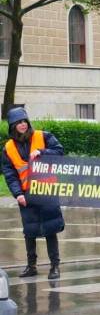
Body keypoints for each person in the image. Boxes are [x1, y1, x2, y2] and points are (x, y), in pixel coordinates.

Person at [2, 108, 65, 279]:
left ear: (28, 123)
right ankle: (31, 266)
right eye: (18, 123)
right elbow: (10, 174)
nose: (22, 125)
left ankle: (55, 266)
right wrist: (18, 194)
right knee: (29, 231)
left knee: (50, 229)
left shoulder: (43, 136)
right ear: (13, 126)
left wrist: (43, 152)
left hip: (46, 190)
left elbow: (60, 152)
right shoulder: (8, 148)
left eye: (24, 122)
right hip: (26, 194)